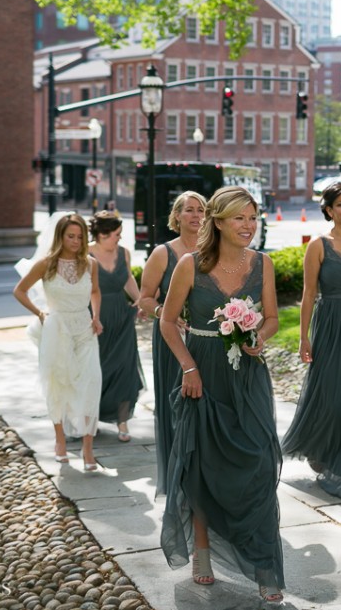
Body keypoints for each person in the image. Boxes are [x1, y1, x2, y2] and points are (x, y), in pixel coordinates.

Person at [158, 186, 285, 605]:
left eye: (253, 218)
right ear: (218, 222)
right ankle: (203, 551)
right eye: (239, 219)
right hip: (203, 371)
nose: (249, 226)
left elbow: (271, 318)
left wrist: (260, 338)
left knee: (261, 465)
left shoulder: (262, 263)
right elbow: (168, 321)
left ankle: (265, 563)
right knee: (202, 464)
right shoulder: (190, 265)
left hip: (247, 375)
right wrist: (188, 368)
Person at [281, 182, 341, 501]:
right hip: (331, 323)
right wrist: (303, 337)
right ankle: (318, 448)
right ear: (328, 210)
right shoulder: (318, 246)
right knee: (330, 390)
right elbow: (309, 294)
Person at [13, 212, 103, 472]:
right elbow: (19, 290)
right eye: (70, 236)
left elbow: (95, 291)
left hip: (85, 329)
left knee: (89, 385)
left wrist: (96, 316)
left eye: (79, 237)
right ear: (60, 237)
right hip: (57, 328)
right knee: (57, 385)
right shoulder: (46, 264)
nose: (75, 241)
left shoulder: (90, 264)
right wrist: (40, 313)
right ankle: (60, 441)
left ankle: (88, 448)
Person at [138, 191, 206, 495]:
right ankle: (178, 476)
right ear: (176, 216)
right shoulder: (163, 253)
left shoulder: (212, 250)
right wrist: (164, 312)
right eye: (189, 210)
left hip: (207, 339)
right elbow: (145, 298)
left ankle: (205, 472)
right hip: (172, 338)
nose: (195, 216)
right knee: (176, 406)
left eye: (201, 210)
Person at [89, 210, 145, 442]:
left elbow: (127, 279)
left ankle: (122, 422)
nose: (119, 238)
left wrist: (140, 300)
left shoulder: (124, 253)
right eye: (116, 234)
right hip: (95, 319)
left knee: (125, 370)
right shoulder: (85, 253)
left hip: (122, 318)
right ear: (102, 234)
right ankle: (91, 418)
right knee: (96, 370)